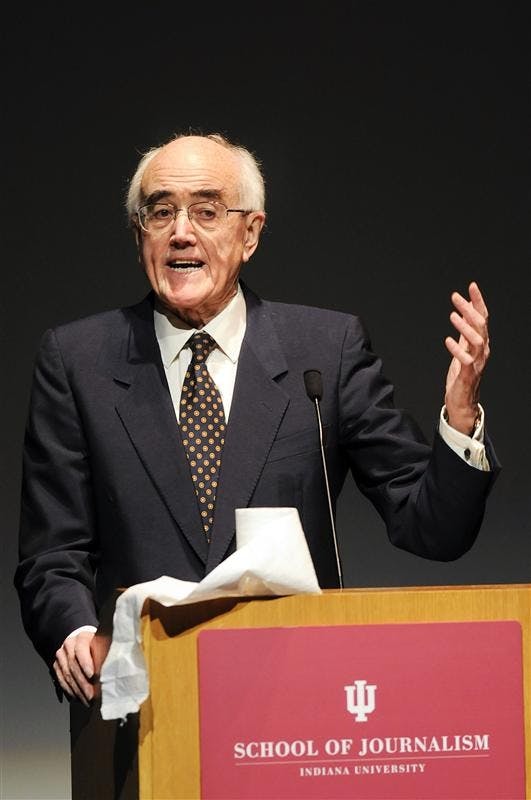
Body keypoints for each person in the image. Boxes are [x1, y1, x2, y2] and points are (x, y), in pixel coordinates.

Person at [15, 132, 497, 707]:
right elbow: (52, 553)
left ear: (250, 234)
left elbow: (431, 529)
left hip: (300, 698)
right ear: (139, 234)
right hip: (147, 698)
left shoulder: (324, 351)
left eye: (207, 210)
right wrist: (73, 635)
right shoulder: (78, 361)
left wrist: (461, 417)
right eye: (160, 212)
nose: (181, 231)